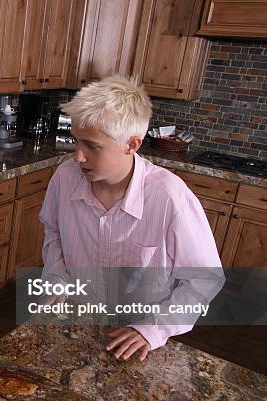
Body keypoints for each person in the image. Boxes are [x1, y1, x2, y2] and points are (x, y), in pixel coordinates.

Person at [40, 76, 224, 362]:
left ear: (132, 144)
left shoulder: (169, 197)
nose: (78, 156)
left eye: (92, 146)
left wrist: (154, 328)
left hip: (138, 338)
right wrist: (57, 276)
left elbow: (204, 279)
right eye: (76, 141)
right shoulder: (65, 178)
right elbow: (54, 233)